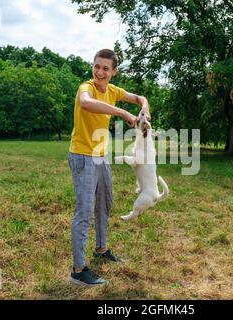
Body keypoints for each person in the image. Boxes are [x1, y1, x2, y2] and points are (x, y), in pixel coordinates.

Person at [68, 49, 150, 286]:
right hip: (82, 155)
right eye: (97, 66)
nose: (100, 72)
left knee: (105, 203)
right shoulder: (87, 88)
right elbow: (86, 104)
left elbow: (140, 98)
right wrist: (123, 112)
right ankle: (78, 269)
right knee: (84, 210)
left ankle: (101, 249)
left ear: (114, 72)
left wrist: (144, 109)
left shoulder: (113, 91)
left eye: (105, 68)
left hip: (101, 156)